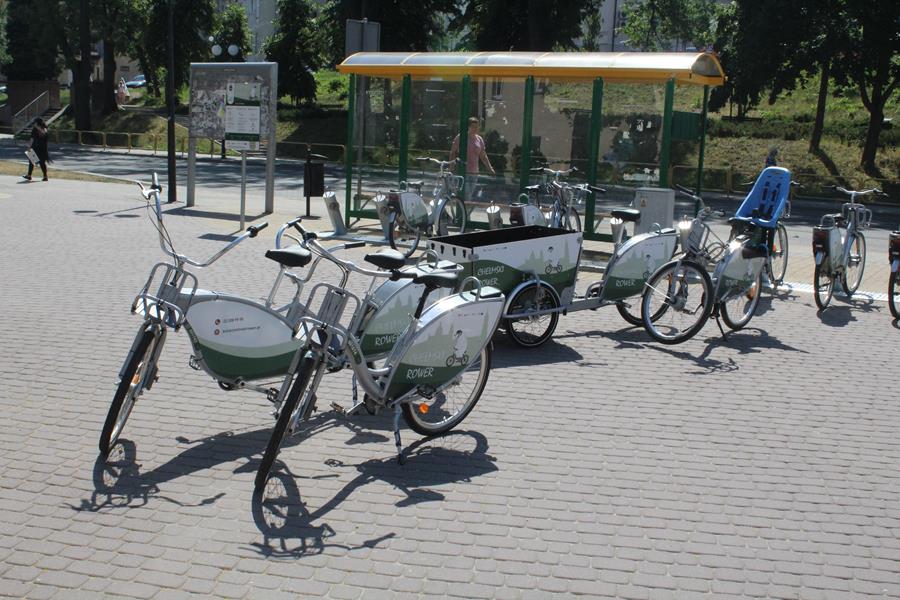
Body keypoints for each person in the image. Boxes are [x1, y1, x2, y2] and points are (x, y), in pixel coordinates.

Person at [450, 117, 495, 200]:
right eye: (473, 126)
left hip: (474, 172)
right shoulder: (461, 137)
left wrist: (490, 168)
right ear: (468, 127)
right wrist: (451, 166)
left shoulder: (479, 139)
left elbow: (483, 156)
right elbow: (453, 152)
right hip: (463, 171)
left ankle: (464, 208)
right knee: (465, 194)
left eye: (477, 127)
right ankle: (461, 208)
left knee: (469, 195)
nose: (475, 128)